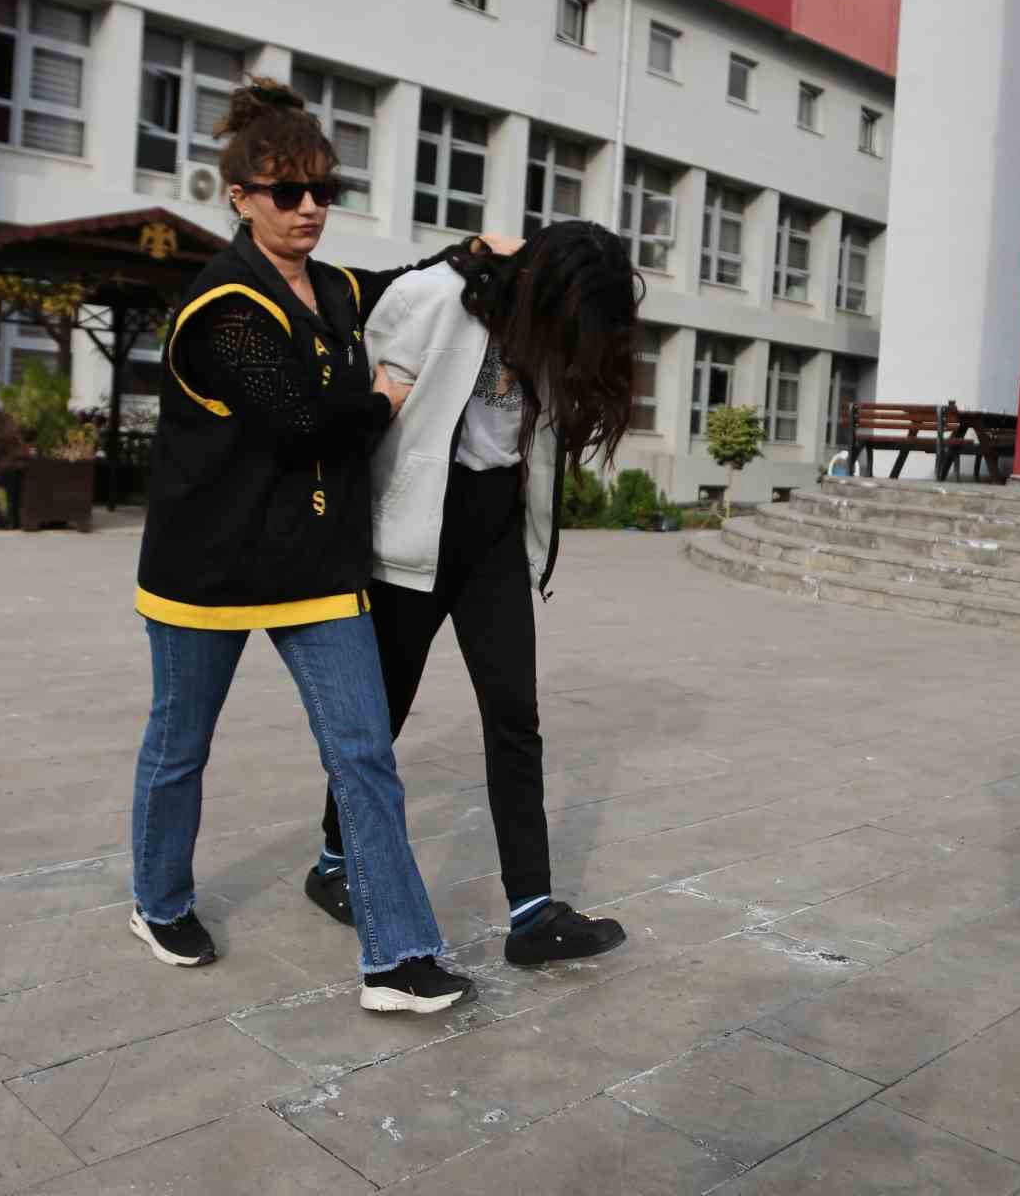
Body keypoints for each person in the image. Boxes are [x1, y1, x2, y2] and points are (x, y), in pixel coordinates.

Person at [129, 77, 476, 1015]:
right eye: (288, 192)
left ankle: (397, 958)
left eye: (324, 190)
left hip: (315, 566)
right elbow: (299, 424)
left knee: (363, 755)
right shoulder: (222, 307)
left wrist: (470, 256)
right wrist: (384, 400)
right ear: (240, 197)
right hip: (208, 568)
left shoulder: (331, 286)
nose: (310, 208)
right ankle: (159, 902)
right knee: (180, 747)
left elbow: (398, 283)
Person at [307, 220, 641, 967]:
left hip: (493, 532)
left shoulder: (555, 326)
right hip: (414, 531)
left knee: (514, 715)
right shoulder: (433, 297)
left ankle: (532, 913)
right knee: (381, 716)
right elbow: (366, 409)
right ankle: (332, 862)